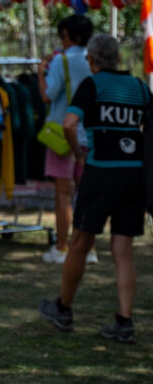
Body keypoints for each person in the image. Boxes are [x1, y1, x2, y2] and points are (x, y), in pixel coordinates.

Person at [39, 33, 152, 344]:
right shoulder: (140, 87)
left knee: (80, 242)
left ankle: (64, 309)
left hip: (100, 173)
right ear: (118, 58)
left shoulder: (92, 85)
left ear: (91, 60)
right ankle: (125, 321)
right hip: (134, 176)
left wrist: (78, 152)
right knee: (123, 250)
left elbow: (68, 123)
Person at [38, 14, 95, 265]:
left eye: (63, 36)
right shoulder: (93, 60)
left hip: (63, 133)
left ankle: (62, 247)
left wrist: (41, 74)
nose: (61, 41)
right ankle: (88, 249)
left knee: (63, 194)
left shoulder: (61, 61)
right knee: (86, 194)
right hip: (88, 134)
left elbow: (47, 96)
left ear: (72, 37)